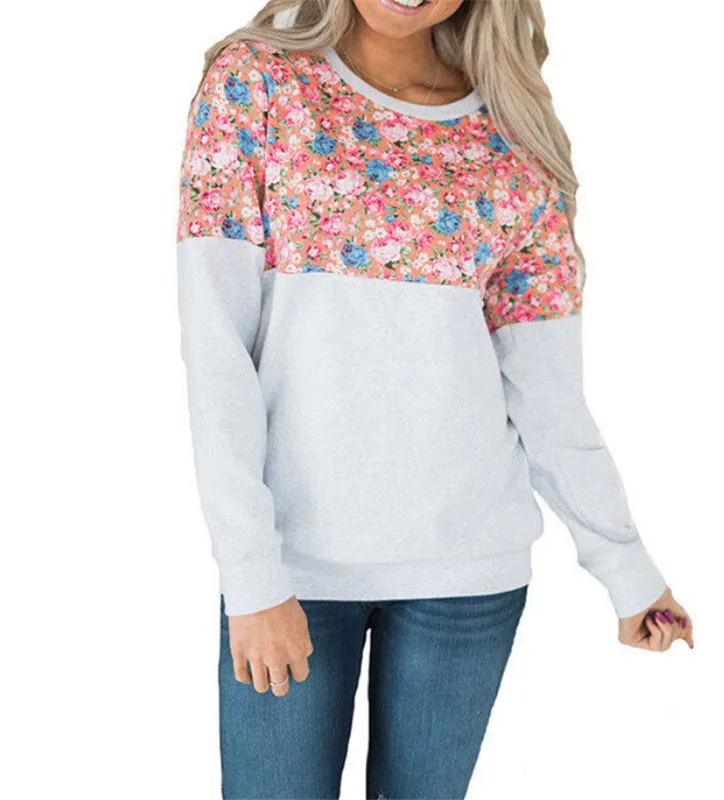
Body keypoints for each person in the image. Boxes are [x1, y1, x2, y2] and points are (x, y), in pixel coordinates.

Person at [175, 1, 694, 797]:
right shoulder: (255, 87)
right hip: (291, 568)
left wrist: (626, 566)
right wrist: (250, 575)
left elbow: (549, 395)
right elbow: (218, 357)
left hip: (468, 573)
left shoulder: (514, 137)